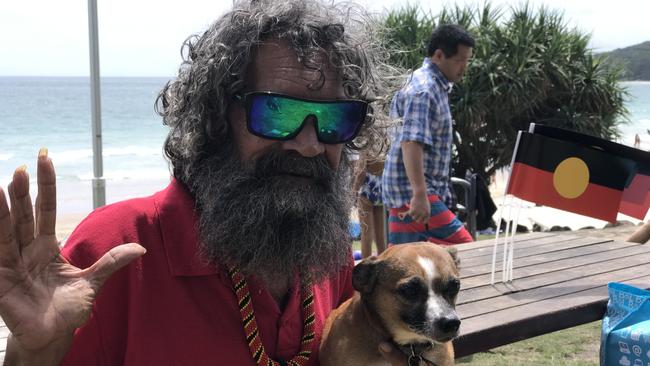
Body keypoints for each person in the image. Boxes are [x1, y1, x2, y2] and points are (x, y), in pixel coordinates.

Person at [0, 1, 415, 365]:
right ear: (215, 117)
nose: (308, 145)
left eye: (334, 119)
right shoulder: (115, 249)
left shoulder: (327, 247)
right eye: (277, 112)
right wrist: (32, 354)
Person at [382, 24, 475, 246]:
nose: (464, 67)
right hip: (414, 195)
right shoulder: (423, 90)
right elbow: (411, 142)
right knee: (468, 253)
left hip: (413, 193)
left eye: (467, 60)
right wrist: (419, 194)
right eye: (460, 60)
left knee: (410, 270)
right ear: (439, 55)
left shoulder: (433, 87)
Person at [352, 151, 387, 258]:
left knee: (366, 234)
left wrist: (354, 190)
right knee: (381, 236)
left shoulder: (367, 146)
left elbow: (361, 171)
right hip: (381, 187)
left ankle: (365, 264)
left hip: (368, 186)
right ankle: (383, 263)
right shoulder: (385, 147)